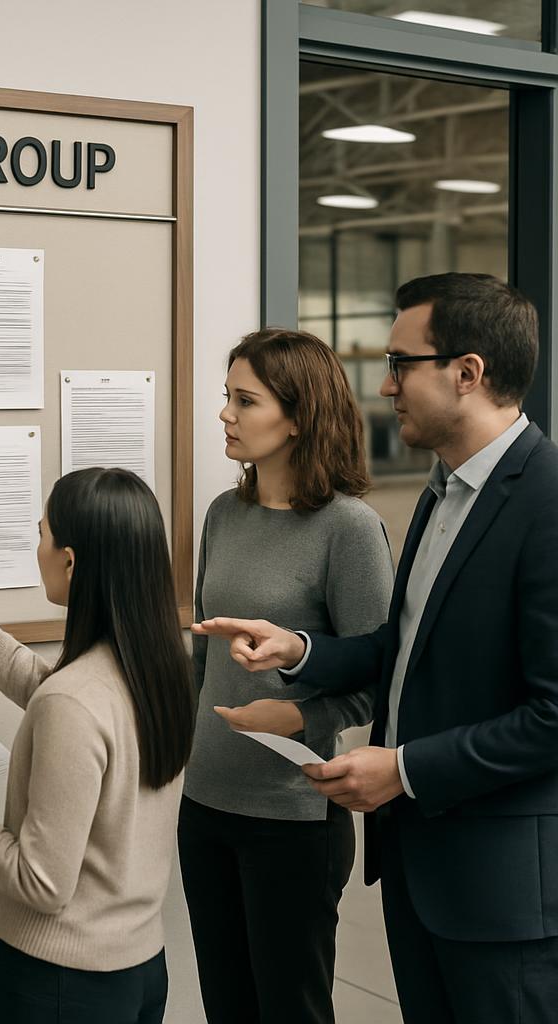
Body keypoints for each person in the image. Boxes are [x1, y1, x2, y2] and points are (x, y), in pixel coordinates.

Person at [199, 273, 558, 1024]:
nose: (384, 384)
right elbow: (401, 651)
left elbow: (553, 716)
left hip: (502, 894)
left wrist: (401, 768)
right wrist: (300, 649)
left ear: (467, 374)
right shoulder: (442, 492)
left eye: (401, 363)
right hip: (418, 868)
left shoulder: (545, 501)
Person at [0, 467, 196, 1024]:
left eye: (42, 532)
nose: (35, 544)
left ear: (70, 561)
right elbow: (43, 684)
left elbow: (40, 883)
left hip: (62, 986)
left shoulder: (74, 700)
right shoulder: (161, 672)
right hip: (138, 970)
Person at [179, 329, 393, 1024]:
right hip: (205, 805)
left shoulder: (349, 530)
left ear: (298, 417)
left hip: (293, 818)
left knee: (290, 1011)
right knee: (227, 1008)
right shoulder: (222, 513)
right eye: (227, 397)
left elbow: (376, 673)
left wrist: (299, 716)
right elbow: (202, 661)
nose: (226, 415)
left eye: (245, 400)